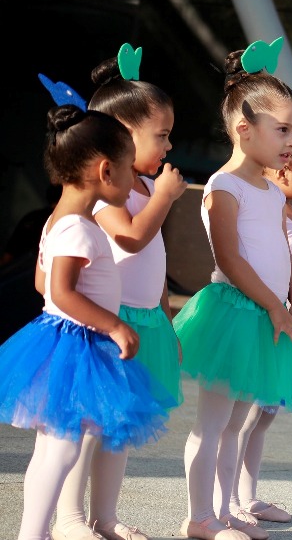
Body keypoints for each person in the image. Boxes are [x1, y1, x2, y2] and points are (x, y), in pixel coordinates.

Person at [0, 105, 172, 540]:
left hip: (64, 342)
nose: (134, 178)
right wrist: (113, 325)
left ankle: (33, 533)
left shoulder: (57, 222)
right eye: (126, 168)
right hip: (77, 344)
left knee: (52, 451)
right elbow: (60, 291)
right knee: (61, 451)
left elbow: (42, 282)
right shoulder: (78, 227)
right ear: (103, 170)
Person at [172, 43, 292, 540]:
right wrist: (277, 306)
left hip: (264, 315)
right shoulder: (222, 186)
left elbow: (284, 253)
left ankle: (225, 510)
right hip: (235, 313)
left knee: (235, 424)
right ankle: (199, 518)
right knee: (211, 424)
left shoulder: (274, 190)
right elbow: (230, 259)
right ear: (243, 130)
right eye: (283, 130)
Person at [50, 52, 188, 540]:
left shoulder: (144, 186)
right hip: (108, 319)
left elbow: (157, 263)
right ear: (121, 135)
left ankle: (104, 516)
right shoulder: (112, 192)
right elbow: (130, 237)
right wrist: (165, 198)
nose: (169, 144)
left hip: (144, 318)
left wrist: (167, 321)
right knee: (89, 425)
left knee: (119, 430)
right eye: (162, 135)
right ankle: (68, 517)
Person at [226, 118, 292, 525]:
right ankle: (228, 497)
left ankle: (248, 496)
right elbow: (261, 259)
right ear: (284, 168)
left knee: (263, 417)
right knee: (245, 417)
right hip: (270, 320)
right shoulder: (269, 209)